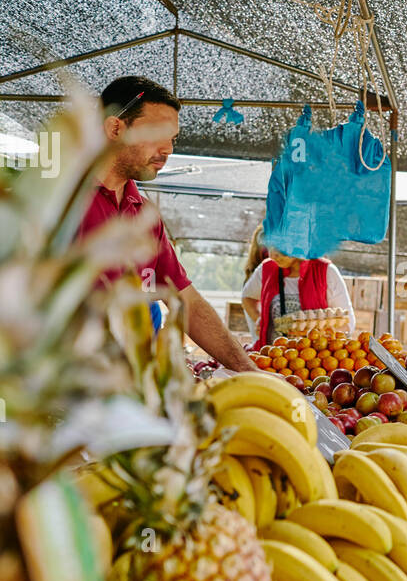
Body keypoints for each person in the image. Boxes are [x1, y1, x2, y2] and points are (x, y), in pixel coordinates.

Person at [78, 75, 258, 373]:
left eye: (172, 137)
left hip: (134, 396)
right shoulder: (62, 204)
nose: (169, 149)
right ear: (115, 127)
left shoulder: (145, 215)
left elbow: (188, 302)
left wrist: (250, 370)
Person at [241, 246, 356, 348]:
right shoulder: (267, 268)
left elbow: (348, 324)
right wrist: (259, 319)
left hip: (312, 363)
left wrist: (318, 333)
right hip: (272, 359)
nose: (273, 254)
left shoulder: (327, 272)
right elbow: (247, 297)